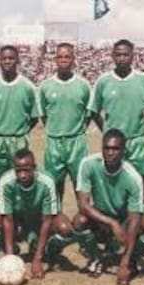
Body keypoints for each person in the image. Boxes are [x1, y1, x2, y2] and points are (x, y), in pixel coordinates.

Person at [73, 129, 144, 285]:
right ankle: (96, 257)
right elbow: (83, 204)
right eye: (107, 148)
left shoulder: (133, 177)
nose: (110, 152)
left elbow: (134, 218)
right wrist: (112, 223)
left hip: (124, 219)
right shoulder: (88, 164)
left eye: (115, 149)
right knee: (79, 221)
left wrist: (124, 263)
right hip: (100, 217)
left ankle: (131, 258)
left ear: (123, 151)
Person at [0, 148, 75, 279]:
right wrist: (10, 258)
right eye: (18, 170)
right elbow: (7, 219)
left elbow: (47, 220)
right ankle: (11, 247)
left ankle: (50, 249)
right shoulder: (6, 181)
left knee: (66, 228)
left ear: (34, 168)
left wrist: (38, 259)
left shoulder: (47, 181)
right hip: (18, 221)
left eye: (26, 169)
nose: (22, 175)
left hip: (40, 220)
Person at [88, 39, 144, 212]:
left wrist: (141, 129)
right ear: (112, 56)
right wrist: (108, 132)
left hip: (136, 141)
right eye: (118, 54)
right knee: (113, 181)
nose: (122, 58)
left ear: (133, 56)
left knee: (143, 180)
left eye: (126, 54)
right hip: (113, 146)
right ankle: (115, 219)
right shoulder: (103, 81)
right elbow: (94, 111)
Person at [0, 45, 39, 212]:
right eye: (4, 58)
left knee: (23, 180)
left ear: (18, 60)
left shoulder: (27, 87)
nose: (8, 61)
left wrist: (18, 131)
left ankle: (22, 219)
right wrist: (2, 129)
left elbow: (34, 118)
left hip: (19, 140)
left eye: (11, 58)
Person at [39, 42, 90, 201]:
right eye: (60, 56)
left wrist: (76, 130)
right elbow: (44, 114)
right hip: (54, 142)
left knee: (81, 186)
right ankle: (55, 222)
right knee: (54, 187)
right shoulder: (45, 86)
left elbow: (88, 114)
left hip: (77, 142)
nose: (63, 60)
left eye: (67, 56)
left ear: (73, 59)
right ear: (55, 59)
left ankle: (85, 222)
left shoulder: (83, 85)